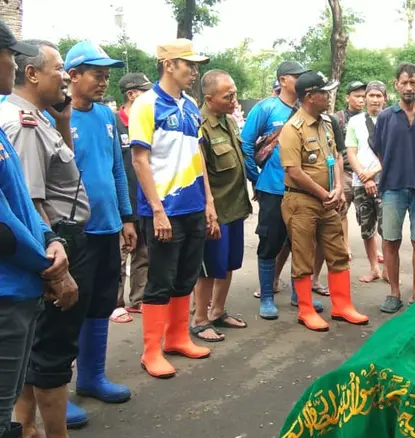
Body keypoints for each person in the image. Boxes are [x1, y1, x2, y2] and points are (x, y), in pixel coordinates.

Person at [0, 38, 96, 438]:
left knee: (31, 351)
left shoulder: (37, 119)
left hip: (49, 247)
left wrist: (62, 120)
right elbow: (29, 205)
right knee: (52, 346)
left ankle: (28, 431)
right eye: (58, 68)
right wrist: (54, 264)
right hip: (41, 256)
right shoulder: (19, 124)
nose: (65, 76)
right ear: (30, 72)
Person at [129, 39, 219, 379]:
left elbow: (198, 157)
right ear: (169, 65)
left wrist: (209, 202)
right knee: (160, 279)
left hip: (194, 205)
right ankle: (151, 350)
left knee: (187, 274)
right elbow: (140, 160)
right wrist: (156, 210)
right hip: (164, 209)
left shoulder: (192, 106)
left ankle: (178, 337)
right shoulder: (146, 105)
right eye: (188, 64)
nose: (194, 71)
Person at [64, 38, 138, 407]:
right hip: (74, 232)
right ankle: (57, 390)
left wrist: (126, 217)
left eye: (106, 76)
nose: (103, 82)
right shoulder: (55, 116)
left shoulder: (107, 116)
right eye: (96, 74)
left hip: (108, 226)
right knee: (67, 310)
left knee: (101, 302)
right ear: (72, 75)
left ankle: (92, 378)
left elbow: (118, 172)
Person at [278, 70, 369, 331]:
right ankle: (306, 309)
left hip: (330, 200)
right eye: (324, 92)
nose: (329, 96)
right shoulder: (291, 129)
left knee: (338, 253)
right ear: (309, 96)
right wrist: (324, 193)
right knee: (304, 256)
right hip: (302, 202)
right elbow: (293, 170)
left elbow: (337, 157)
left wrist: (339, 188)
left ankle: (342, 306)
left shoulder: (327, 123)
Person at [240, 60, 324, 320]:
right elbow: (245, 145)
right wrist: (257, 178)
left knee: (301, 242)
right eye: (296, 76)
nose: (300, 80)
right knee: (269, 241)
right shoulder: (265, 108)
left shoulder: (305, 109)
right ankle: (267, 296)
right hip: (273, 190)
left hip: (302, 191)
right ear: (284, 79)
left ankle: (300, 296)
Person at [373, 62, 415, 313]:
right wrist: (393, 168)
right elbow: (379, 149)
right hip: (391, 187)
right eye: (404, 82)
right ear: (396, 85)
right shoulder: (386, 117)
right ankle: (394, 293)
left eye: (414, 82)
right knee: (390, 240)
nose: (409, 87)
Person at [191, 69, 251, 343]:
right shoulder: (199, 126)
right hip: (215, 210)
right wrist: (208, 209)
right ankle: (200, 319)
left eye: (235, 94)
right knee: (208, 268)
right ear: (210, 97)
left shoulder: (229, 122)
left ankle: (217, 311)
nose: (234, 100)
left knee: (228, 263)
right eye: (228, 96)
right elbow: (198, 174)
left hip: (235, 207)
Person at [114, 72, 153, 321]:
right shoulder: (115, 122)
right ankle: (114, 302)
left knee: (144, 253)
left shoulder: (148, 121)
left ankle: (138, 299)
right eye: (145, 92)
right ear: (132, 94)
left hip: (145, 200)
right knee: (120, 254)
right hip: (122, 201)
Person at [346, 80, 386, 283]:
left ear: (385, 99)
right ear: (366, 98)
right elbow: (350, 152)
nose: (375, 99)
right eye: (372, 95)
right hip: (359, 181)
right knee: (366, 227)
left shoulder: (391, 120)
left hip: (385, 182)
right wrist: (363, 174)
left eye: (379, 96)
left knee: (388, 228)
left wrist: (372, 174)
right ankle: (374, 268)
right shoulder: (355, 122)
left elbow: (393, 153)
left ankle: (389, 268)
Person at [335, 80, 366, 262]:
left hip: (365, 174)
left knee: (368, 215)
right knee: (341, 212)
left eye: (363, 96)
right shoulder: (337, 118)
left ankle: (374, 250)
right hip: (345, 172)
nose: (361, 100)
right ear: (348, 97)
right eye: (357, 96)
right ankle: (345, 245)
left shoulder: (369, 118)